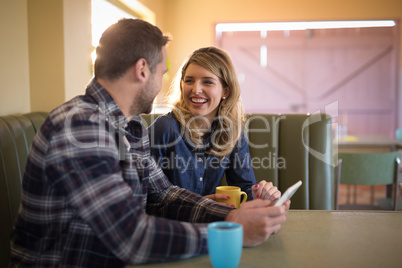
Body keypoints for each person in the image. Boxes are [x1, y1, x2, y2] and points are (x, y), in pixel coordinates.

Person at [9, 19, 289, 267]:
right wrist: (229, 232)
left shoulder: (130, 127)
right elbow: (129, 237)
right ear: (143, 69)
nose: (165, 80)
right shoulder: (81, 126)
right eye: (163, 70)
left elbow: (163, 194)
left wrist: (235, 215)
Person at [148, 46, 280, 205]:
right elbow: (148, 195)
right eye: (189, 80)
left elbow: (243, 188)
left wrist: (260, 194)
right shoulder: (165, 128)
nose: (196, 89)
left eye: (208, 82)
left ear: (226, 91)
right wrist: (198, 205)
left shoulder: (233, 133)